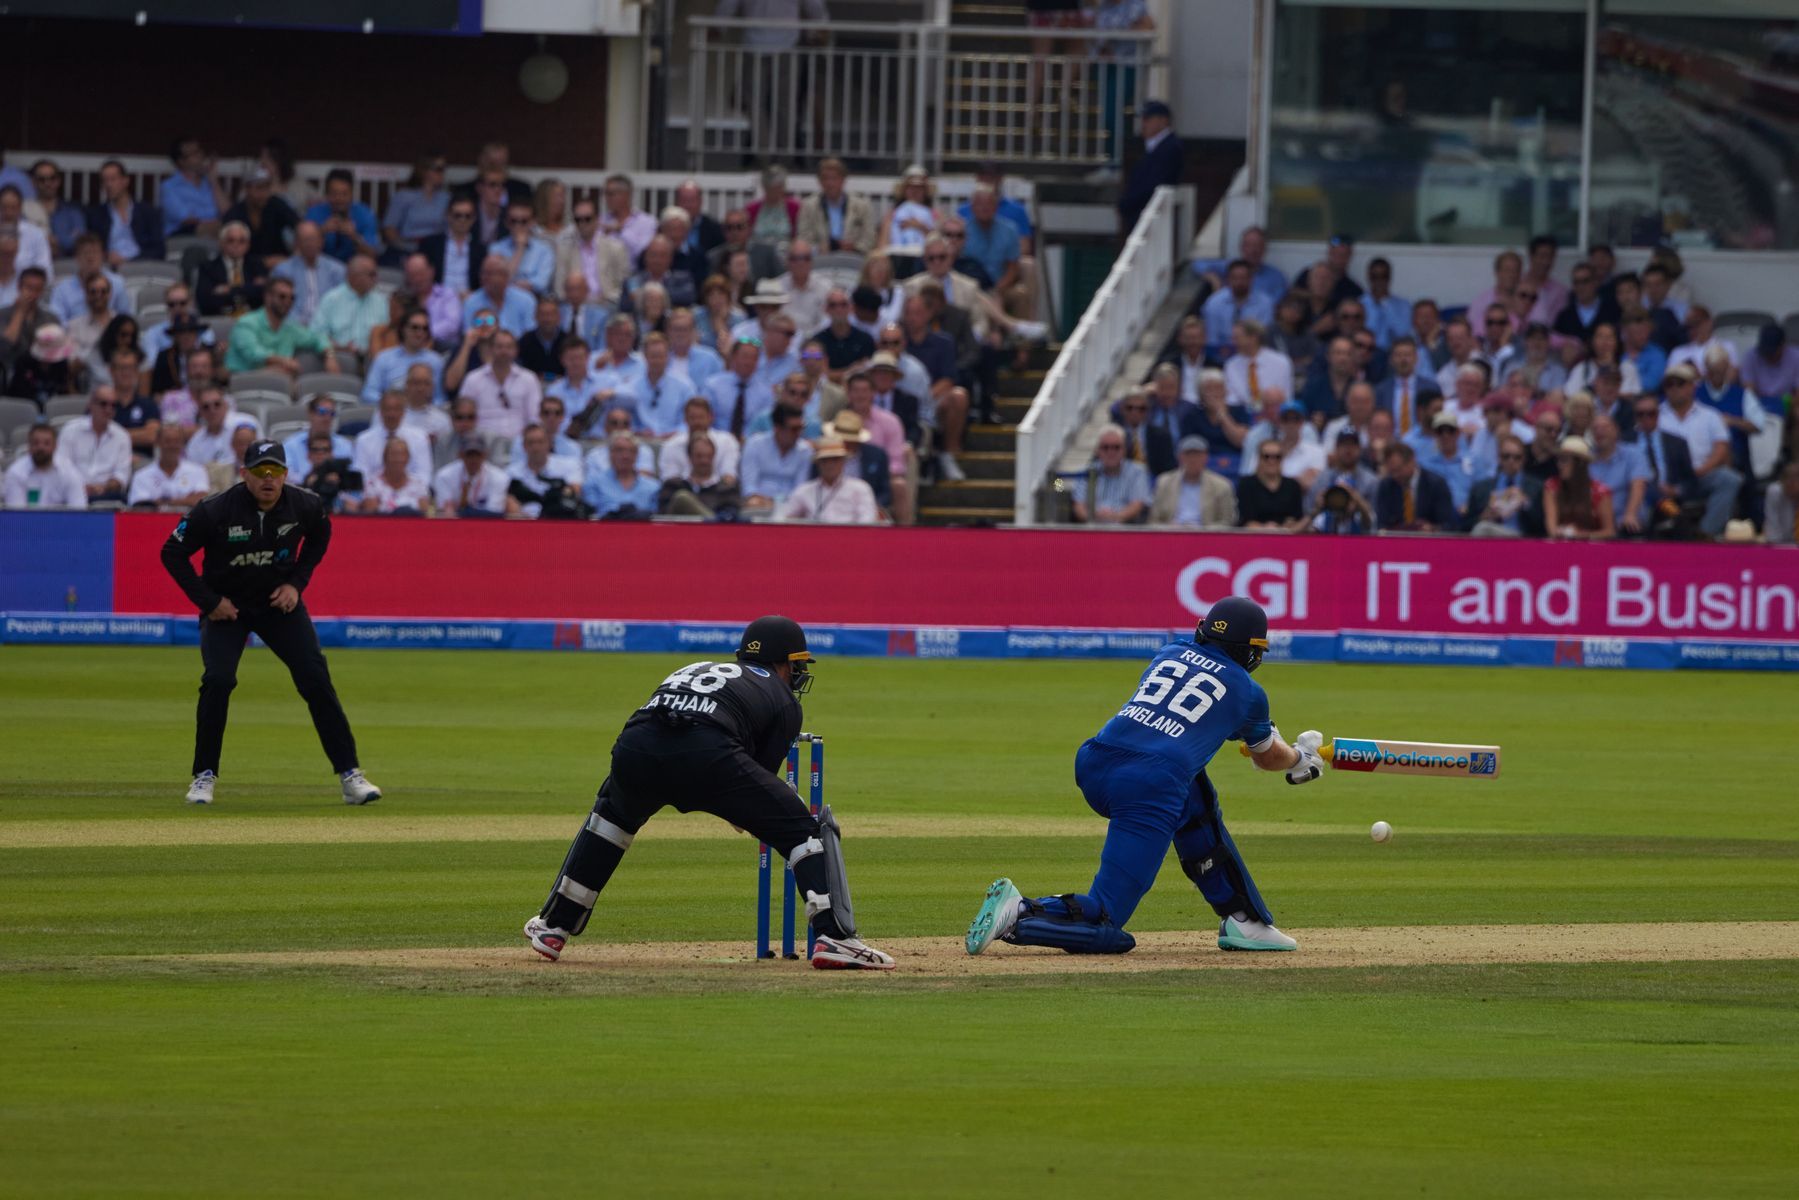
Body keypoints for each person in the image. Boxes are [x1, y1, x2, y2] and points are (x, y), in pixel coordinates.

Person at [525, 612, 893, 967]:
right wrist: (762, 809)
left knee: (610, 820)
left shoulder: (697, 667)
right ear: (783, 663)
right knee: (801, 828)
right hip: (706, 753)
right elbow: (753, 794)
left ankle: (554, 925)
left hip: (636, 746)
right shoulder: (784, 701)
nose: (797, 675)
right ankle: (835, 937)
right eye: (796, 665)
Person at [967, 596, 1319, 961]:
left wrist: (1260, 732)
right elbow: (1268, 757)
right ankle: (1021, 911)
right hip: (1148, 782)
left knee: (1194, 798)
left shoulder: (1170, 652)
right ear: (1251, 651)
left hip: (1095, 760)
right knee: (1107, 923)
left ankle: (1244, 919)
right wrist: (1300, 757)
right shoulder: (1248, 692)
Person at [160, 440, 380, 806]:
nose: (268, 478)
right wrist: (210, 602)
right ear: (244, 474)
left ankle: (350, 776)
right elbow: (172, 552)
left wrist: (296, 584)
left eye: (275, 471)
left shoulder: (306, 504)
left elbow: (320, 537)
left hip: (278, 606)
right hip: (228, 609)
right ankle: (204, 776)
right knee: (218, 680)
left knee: (315, 677)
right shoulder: (214, 510)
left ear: (285, 475)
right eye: (260, 471)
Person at [1658, 362, 1741, 537]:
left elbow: (1722, 447)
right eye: (1669, 384)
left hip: (1700, 476)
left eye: (1680, 383)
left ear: (1692, 387)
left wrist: (1702, 469)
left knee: (1729, 479)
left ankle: (1705, 533)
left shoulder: (1710, 415)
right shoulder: (1655, 415)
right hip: (1665, 478)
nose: (1674, 389)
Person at [225, 277, 338, 377]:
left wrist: (330, 356)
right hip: (242, 381)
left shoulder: (291, 328)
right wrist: (282, 361)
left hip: (278, 384)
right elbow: (253, 353)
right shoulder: (247, 322)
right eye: (282, 296)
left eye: (292, 298)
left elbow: (317, 337)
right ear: (268, 297)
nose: (288, 301)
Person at [56, 388, 133, 502]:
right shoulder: (70, 430)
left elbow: (122, 476)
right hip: (70, 493)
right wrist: (80, 487)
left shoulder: (122, 436)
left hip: (106, 496)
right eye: (103, 404)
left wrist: (103, 488)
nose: (108, 409)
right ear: (91, 404)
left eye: (113, 405)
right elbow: (61, 467)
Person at [83, 159, 165, 264]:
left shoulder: (147, 212)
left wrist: (129, 261)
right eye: (104, 181)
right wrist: (106, 256)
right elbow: (92, 247)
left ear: (125, 181)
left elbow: (159, 249)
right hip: (109, 265)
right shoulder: (96, 215)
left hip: (141, 265)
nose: (108, 185)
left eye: (113, 179)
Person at [1116, 99, 1179, 231]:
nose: (1143, 124)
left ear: (1163, 120)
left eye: (1148, 119)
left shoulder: (1169, 147)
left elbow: (1154, 183)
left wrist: (1128, 203)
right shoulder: (1155, 146)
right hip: (1143, 215)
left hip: (1152, 218)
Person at [1071, 424, 1151, 525]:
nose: (1111, 452)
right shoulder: (1087, 472)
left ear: (1124, 450)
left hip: (1126, 529)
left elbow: (1137, 505)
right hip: (1092, 528)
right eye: (1105, 447)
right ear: (1097, 451)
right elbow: (1078, 506)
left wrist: (1114, 517)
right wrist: (1093, 518)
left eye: (1116, 447)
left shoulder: (1137, 472)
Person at [740, 402, 814, 510]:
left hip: (791, 506)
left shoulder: (805, 451)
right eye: (794, 429)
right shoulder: (754, 444)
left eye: (801, 428)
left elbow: (800, 488)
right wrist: (762, 501)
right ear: (777, 428)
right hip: (758, 504)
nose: (799, 433)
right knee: (752, 502)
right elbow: (749, 486)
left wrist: (778, 504)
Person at [795, 157, 878, 255]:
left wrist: (854, 247)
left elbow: (869, 238)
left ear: (843, 180)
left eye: (834, 178)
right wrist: (820, 248)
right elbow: (803, 238)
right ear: (819, 181)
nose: (830, 183)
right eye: (825, 178)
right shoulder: (808, 206)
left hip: (854, 257)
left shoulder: (862, 206)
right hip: (820, 258)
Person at [1150, 434, 1235, 528]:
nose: (1192, 459)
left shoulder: (1222, 486)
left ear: (1206, 457)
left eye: (1197, 455)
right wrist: (1170, 528)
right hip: (1172, 532)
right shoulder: (1164, 482)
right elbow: (1154, 520)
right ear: (1179, 457)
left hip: (1206, 533)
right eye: (1188, 455)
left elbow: (1227, 522)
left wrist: (1202, 530)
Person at [271, 223, 348, 326]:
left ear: (321, 241)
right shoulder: (282, 271)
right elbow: (277, 304)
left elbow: (343, 303)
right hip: (293, 327)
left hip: (328, 327)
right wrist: (299, 325)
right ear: (296, 244)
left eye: (313, 239)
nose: (309, 244)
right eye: (304, 240)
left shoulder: (338, 270)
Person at [1542, 436, 1614, 540]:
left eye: (1564, 460)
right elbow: (1551, 530)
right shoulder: (1552, 486)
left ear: (1579, 464)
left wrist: (1581, 535)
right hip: (1560, 544)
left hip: (1591, 546)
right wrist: (1564, 534)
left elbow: (1609, 531)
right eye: (1558, 460)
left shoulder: (1600, 491)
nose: (1559, 465)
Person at [223, 167, 299, 266]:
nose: (264, 193)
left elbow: (299, 225)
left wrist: (297, 250)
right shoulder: (234, 214)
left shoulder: (276, 204)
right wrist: (263, 262)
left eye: (266, 188)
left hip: (280, 264)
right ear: (247, 189)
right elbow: (230, 251)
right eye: (259, 188)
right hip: (246, 267)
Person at [1376, 441, 1456, 532]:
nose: (1395, 475)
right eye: (1391, 472)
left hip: (1428, 539)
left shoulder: (1436, 484)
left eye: (1398, 470)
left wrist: (1433, 528)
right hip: (1395, 538)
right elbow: (1381, 524)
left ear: (1412, 461)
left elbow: (1447, 524)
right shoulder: (1386, 486)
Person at [380, 153, 450, 259]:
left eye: (444, 169)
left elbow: (451, 227)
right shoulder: (403, 196)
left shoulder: (446, 198)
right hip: (407, 247)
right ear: (424, 170)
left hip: (437, 249)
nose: (442, 173)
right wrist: (406, 247)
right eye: (438, 169)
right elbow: (389, 228)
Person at [128, 422, 210, 510]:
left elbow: (201, 500)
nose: (172, 445)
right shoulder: (141, 476)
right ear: (157, 443)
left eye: (177, 441)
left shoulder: (198, 471)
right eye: (167, 441)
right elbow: (140, 507)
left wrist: (162, 503)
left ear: (183, 444)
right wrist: (186, 500)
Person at [305, 168, 382, 262]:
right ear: (327, 194)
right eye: (334, 193)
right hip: (319, 264)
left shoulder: (365, 214)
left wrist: (354, 236)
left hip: (353, 266)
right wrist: (321, 232)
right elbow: (299, 251)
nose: (339, 199)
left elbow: (372, 254)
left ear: (352, 194)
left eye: (344, 194)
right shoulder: (314, 212)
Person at [4, 423, 87, 508]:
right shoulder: (16, 473)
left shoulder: (69, 471)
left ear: (55, 446)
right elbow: (16, 513)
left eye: (46, 443)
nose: (41, 447)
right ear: (29, 446)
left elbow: (78, 509)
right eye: (36, 443)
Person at [160, 137, 229, 237]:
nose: (200, 156)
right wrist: (220, 225)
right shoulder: (169, 187)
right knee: (231, 229)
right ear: (181, 161)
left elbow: (228, 212)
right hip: (182, 235)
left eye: (199, 151)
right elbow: (188, 220)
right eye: (194, 153)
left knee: (234, 229)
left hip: (214, 233)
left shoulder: (209, 183)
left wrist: (214, 181)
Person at [582, 431, 660, 517]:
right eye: (619, 450)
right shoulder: (594, 483)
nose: (625, 456)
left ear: (637, 455)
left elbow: (656, 518)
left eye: (631, 451)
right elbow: (590, 517)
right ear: (610, 453)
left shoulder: (653, 487)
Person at [490, 199, 556, 296]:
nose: (518, 226)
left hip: (535, 300)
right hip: (503, 299)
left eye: (524, 221)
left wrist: (511, 285)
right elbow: (498, 281)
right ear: (506, 222)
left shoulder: (545, 250)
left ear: (533, 222)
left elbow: (542, 284)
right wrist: (519, 249)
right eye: (513, 221)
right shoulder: (496, 248)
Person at [421, 197, 486, 295]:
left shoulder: (481, 249)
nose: (462, 220)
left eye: (467, 216)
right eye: (457, 215)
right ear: (448, 216)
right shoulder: (431, 245)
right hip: (437, 298)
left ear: (474, 219)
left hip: (469, 299)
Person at [360, 437, 432, 515]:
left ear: (408, 458)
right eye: (393, 454)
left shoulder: (418, 484)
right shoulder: (372, 484)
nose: (398, 459)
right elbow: (370, 515)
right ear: (385, 457)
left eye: (402, 454)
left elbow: (424, 514)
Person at [1764, 461, 1799, 545]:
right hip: (1780, 544)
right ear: (1781, 480)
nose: (1791, 482)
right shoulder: (1774, 492)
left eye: (1796, 478)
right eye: (1788, 478)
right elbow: (1772, 528)